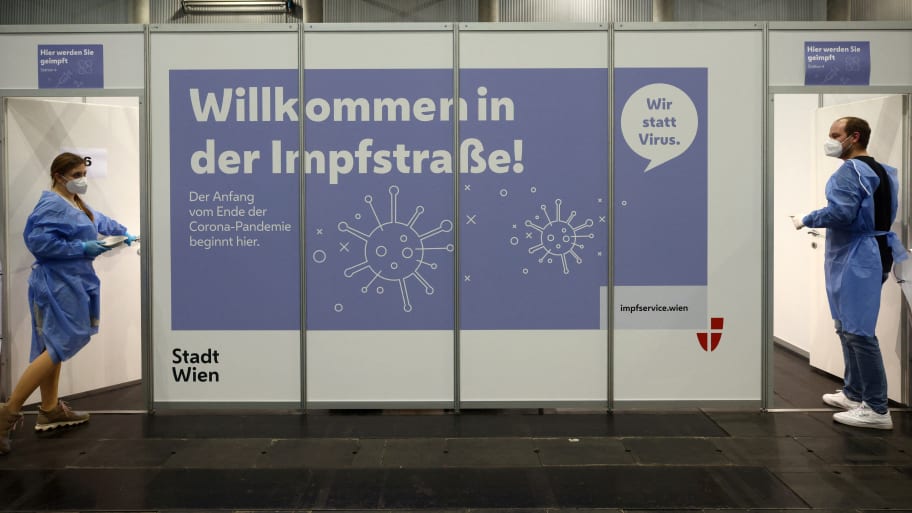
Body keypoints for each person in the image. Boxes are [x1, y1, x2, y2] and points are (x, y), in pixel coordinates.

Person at [0, 152, 136, 455]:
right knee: (66, 340)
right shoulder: (50, 204)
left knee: (54, 345)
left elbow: (96, 220)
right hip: (56, 284)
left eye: (83, 173)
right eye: (76, 174)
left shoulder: (75, 203)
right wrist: (83, 247)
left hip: (72, 282)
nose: (82, 179)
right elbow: (39, 243)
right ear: (58, 176)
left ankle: (49, 409)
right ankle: (7, 413)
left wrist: (123, 232)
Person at [793, 116, 907, 430]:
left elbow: (841, 213)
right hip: (871, 251)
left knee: (858, 332)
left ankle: (876, 408)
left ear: (854, 137)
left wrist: (808, 217)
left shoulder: (849, 171)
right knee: (845, 326)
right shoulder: (883, 171)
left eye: (835, 134)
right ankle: (854, 393)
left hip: (858, 256)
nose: (829, 140)